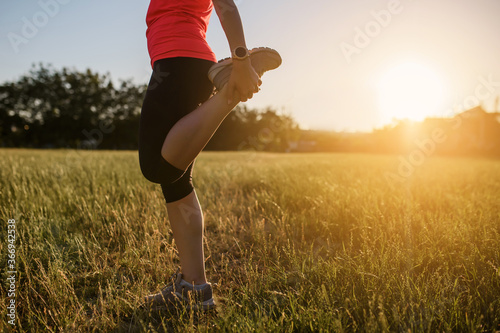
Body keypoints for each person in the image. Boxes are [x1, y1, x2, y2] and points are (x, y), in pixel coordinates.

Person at [139, 0, 280, 311]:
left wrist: (242, 60)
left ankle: (230, 91)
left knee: (156, 166)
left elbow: (226, 5)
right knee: (176, 182)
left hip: (179, 60)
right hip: (184, 61)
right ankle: (195, 289)